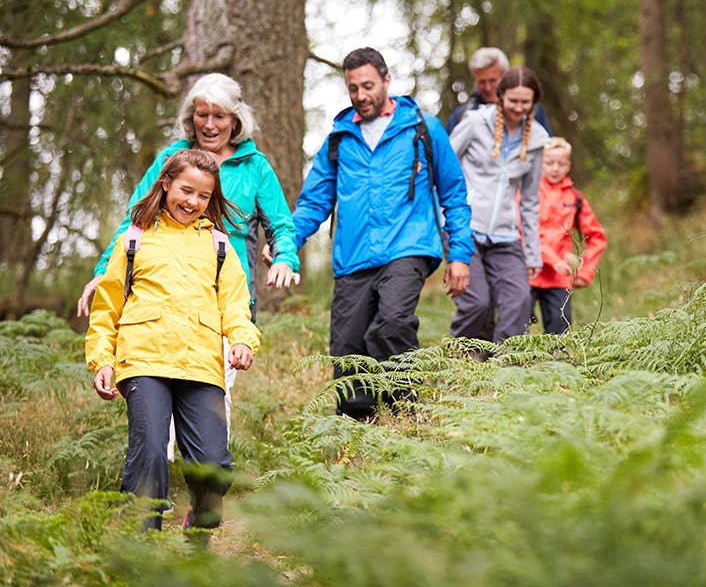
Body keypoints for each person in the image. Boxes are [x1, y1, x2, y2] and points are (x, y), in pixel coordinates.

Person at [76, 72, 299, 451]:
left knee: (213, 397)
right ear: (190, 117)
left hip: (224, 299)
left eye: (219, 116)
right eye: (202, 114)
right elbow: (134, 218)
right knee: (158, 403)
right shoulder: (170, 159)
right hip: (160, 295)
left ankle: (203, 491)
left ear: (235, 120)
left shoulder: (254, 166)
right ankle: (158, 487)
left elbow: (281, 224)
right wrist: (102, 273)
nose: (209, 124)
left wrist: (285, 258)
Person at [85, 149, 260, 536]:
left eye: (202, 196)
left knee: (213, 468)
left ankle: (199, 522)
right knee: (148, 454)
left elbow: (234, 304)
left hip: (201, 364)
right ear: (165, 184)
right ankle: (139, 546)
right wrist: (103, 360)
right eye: (185, 190)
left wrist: (243, 340)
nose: (192, 202)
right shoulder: (135, 239)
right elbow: (107, 308)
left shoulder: (218, 245)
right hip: (144, 362)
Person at [292, 47, 473, 420]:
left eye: (368, 85)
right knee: (347, 350)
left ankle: (405, 414)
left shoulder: (422, 127)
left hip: (408, 246)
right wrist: (286, 243)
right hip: (353, 256)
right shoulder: (339, 139)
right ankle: (359, 432)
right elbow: (314, 202)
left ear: (387, 81)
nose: (361, 95)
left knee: (392, 323)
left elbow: (454, 193)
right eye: (353, 88)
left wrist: (459, 254)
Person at [449, 66, 551, 343]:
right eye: (513, 101)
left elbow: (529, 201)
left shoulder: (538, 140)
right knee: (477, 304)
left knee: (518, 302)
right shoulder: (473, 124)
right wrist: (440, 220)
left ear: (533, 102)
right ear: (500, 96)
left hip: (506, 235)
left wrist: (532, 254)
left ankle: (503, 371)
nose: (519, 108)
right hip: (465, 228)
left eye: (525, 102)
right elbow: (443, 169)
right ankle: (465, 362)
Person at [530, 137, 607, 334]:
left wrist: (584, 272)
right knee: (516, 329)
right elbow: (522, 230)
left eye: (561, 164)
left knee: (559, 330)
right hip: (527, 271)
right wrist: (551, 259)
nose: (555, 168)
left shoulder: (575, 198)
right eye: (549, 163)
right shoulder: (528, 192)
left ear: (568, 166)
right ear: (541, 162)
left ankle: (556, 361)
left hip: (559, 277)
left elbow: (596, 237)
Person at [445, 47, 552, 137]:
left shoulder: (529, 110)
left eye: (493, 81)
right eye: (482, 82)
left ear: (505, 77)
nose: (487, 88)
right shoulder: (462, 116)